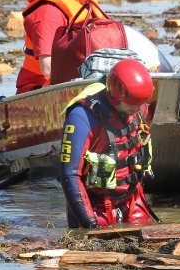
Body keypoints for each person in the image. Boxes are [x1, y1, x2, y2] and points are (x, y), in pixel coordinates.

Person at [59, 59, 156, 228]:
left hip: (133, 200)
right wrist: (89, 223)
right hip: (97, 207)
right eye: (132, 105)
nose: (137, 110)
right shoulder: (81, 117)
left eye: (140, 104)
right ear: (115, 95)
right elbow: (70, 175)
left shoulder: (139, 109)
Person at [15, 0, 103, 93]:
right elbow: (48, 68)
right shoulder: (47, 13)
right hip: (41, 89)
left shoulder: (87, 3)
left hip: (86, 79)